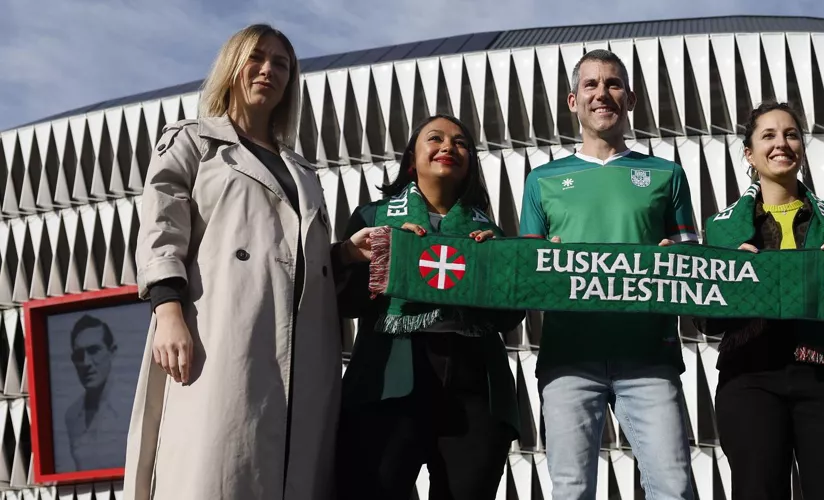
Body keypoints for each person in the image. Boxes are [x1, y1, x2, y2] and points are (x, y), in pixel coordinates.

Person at [125, 24, 374, 500]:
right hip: (221, 333)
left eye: (282, 64)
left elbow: (296, 260)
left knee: (295, 473)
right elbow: (161, 230)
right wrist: (167, 311)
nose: (269, 70)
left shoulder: (303, 170)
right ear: (231, 66)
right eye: (257, 57)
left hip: (304, 350)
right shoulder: (193, 141)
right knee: (217, 465)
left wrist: (343, 253)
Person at [519, 49, 698, 499]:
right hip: (568, 355)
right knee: (571, 490)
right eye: (592, 85)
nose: (603, 93)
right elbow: (525, 268)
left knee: (673, 487)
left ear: (631, 98)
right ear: (572, 100)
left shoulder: (667, 174)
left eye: (613, 84)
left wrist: (676, 256)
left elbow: (694, 260)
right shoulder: (541, 180)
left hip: (648, 356)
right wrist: (542, 261)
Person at [334, 114, 523, 498]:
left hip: (475, 385)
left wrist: (496, 269)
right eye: (435, 139)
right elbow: (344, 302)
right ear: (411, 160)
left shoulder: (489, 232)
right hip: (388, 377)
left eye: (461, 143)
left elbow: (508, 318)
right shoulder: (374, 219)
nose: (449, 147)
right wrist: (370, 257)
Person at [695, 102, 824, 500]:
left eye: (791, 134)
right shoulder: (720, 231)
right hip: (750, 376)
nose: (782, 144)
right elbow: (704, 321)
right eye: (768, 136)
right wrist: (730, 274)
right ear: (749, 153)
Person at [64, 314, 125, 471]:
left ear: (112, 351)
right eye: (79, 356)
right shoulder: (72, 415)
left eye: (94, 351)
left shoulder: (132, 405)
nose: (86, 363)